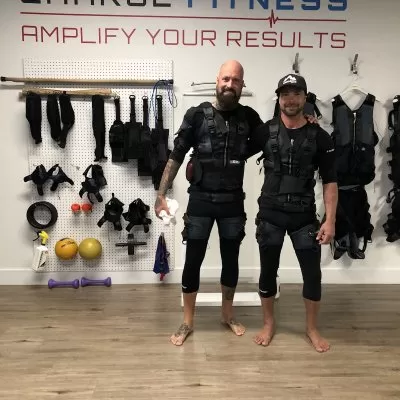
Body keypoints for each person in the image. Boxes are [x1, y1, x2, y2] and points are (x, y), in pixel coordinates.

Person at [154, 60, 263, 346]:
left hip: (232, 203)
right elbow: (176, 156)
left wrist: (305, 120)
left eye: (236, 80)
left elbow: (275, 136)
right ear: (217, 80)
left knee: (231, 260)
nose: (230, 84)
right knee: (193, 261)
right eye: (226, 78)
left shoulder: (250, 118)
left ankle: (227, 315)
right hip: (200, 201)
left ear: (242, 85)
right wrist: (161, 194)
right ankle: (187, 321)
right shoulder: (196, 115)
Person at [249, 73, 338, 353]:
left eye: (296, 94)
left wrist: (330, 220)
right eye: (285, 94)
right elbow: (234, 152)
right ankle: (268, 323)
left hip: (303, 217)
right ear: (278, 98)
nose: (290, 99)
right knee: (268, 272)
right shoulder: (264, 132)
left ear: (305, 98)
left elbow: (330, 182)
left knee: (312, 275)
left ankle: (311, 328)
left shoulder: (320, 137)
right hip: (271, 215)